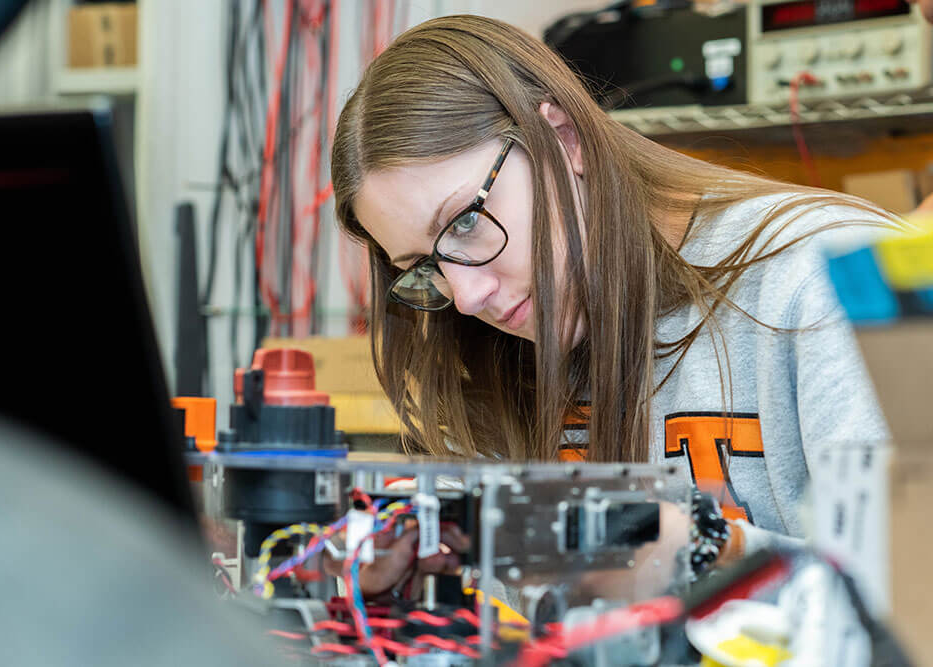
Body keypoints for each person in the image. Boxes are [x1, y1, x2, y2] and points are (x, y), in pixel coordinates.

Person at [329, 14, 897, 597]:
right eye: (424, 266)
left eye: (467, 221)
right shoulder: (495, 346)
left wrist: (699, 549)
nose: (467, 297)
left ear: (565, 137)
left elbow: (907, 600)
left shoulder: (824, 277)